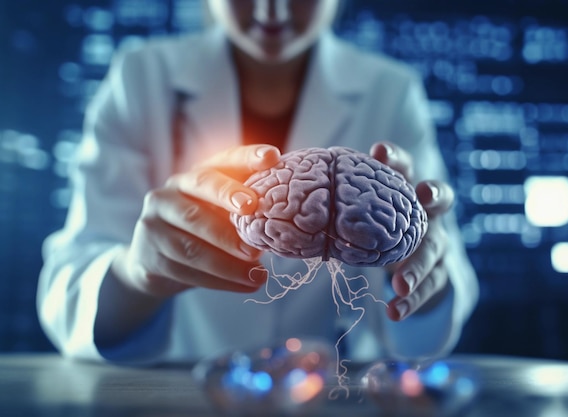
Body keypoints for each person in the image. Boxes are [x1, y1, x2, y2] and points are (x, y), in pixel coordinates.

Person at [37, 0, 478, 364]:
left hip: (332, 397)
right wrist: (136, 275)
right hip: (181, 396)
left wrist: (422, 279)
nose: (272, 11)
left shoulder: (392, 90)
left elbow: (438, 295)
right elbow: (68, 291)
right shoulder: (140, 76)